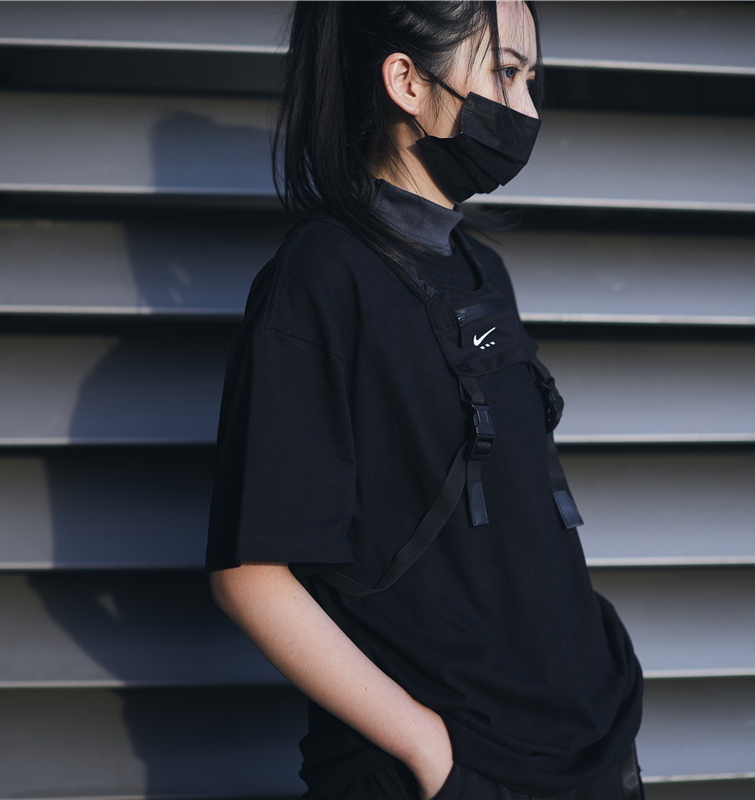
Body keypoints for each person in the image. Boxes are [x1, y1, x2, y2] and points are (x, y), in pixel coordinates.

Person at [206, 2, 643, 798]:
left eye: (532, 79)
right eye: (505, 73)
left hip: (588, 745)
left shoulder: (480, 269)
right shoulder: (322, 280)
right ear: (406, 80)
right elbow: (251, 575)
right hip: (463, 770)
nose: (526, 108)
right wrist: (431, 753)